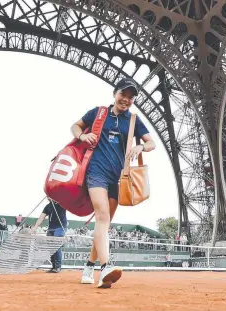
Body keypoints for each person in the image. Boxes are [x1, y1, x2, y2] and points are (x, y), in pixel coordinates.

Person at [70, 78, 156, 288]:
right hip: (96, 171)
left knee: (104, 224)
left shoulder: (133, 120)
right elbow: (75, 126)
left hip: (118, 177)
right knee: (102, 217)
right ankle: (105, 267)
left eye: (130, 97)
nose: (125, 100)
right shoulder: (99, 113)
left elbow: (151, 142)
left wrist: (141, 148)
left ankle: (89, 266)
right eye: (122, 95)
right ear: (114, 93)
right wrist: (83, 135)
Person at [31, 200, 67, 273]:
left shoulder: (62, 203)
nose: (48, 197)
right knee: (50, 247)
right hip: (51, 228)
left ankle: (58, 266)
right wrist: (35, 227)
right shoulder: (48, 206)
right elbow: (42, 217)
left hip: (60, 227)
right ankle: (53, 266)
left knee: (56, 245)